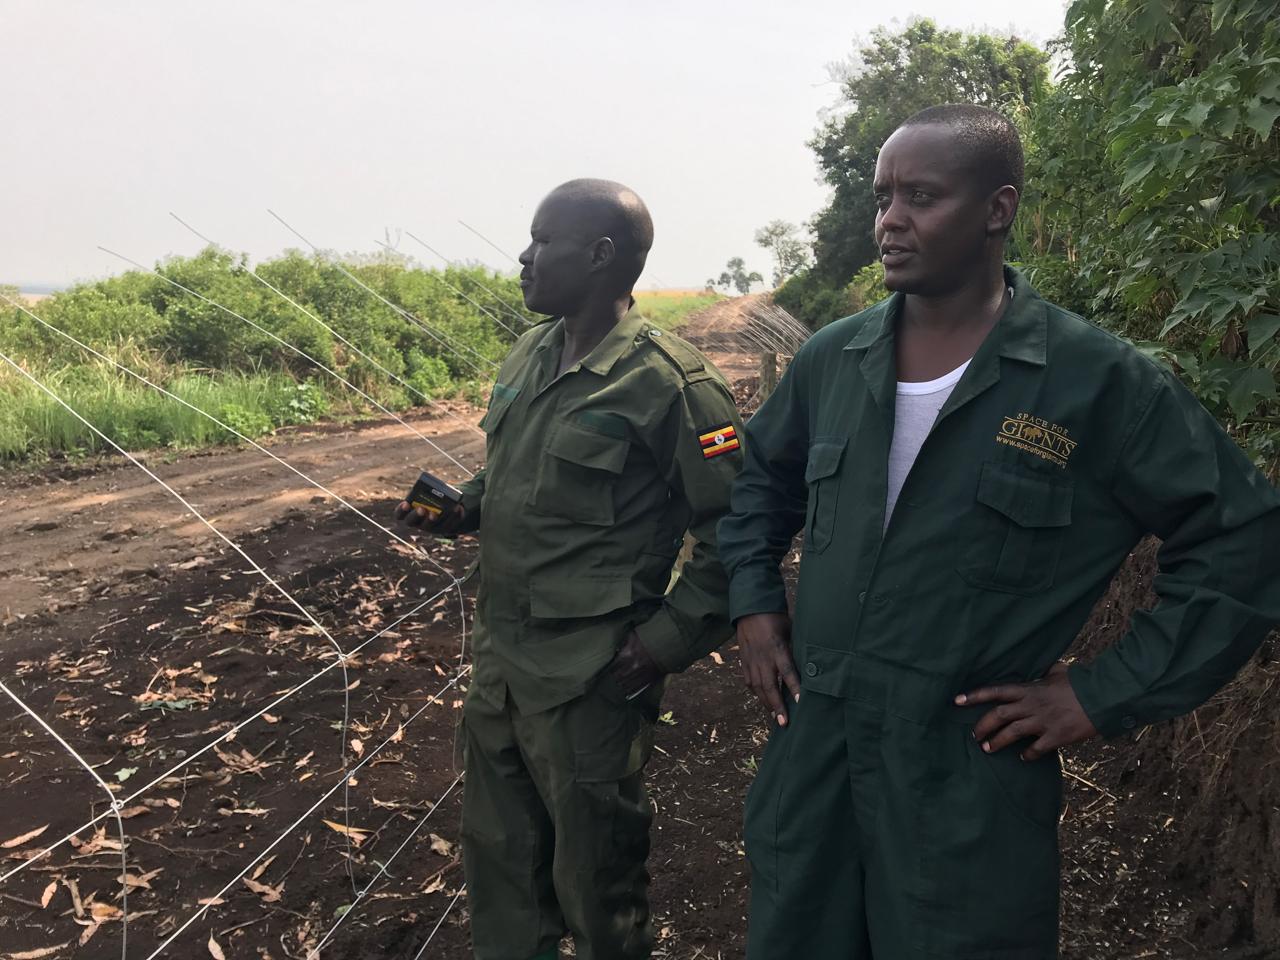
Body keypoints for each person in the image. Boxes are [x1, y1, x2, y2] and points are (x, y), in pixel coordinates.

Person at [716, 104, 1280, 959]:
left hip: (963, 786)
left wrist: (1099, 693)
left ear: (997, 210)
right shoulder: (832, 360)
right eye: (882, 198)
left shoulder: (1093, 381)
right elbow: (760, 480)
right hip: (815, 762)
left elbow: (1243, 538)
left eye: (921, 196)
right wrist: (755, 605)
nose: (890, 220)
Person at [396, 179, 743, 960]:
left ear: (600, 255)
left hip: (590, 677)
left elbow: (736, 531)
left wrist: (662, 644)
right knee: (502, 868)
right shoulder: (531, 350)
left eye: (541, 240)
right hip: (501, 668)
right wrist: (463, 508)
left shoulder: (673, 385)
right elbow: (512, 473)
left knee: (597, 884)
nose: (523, 257)